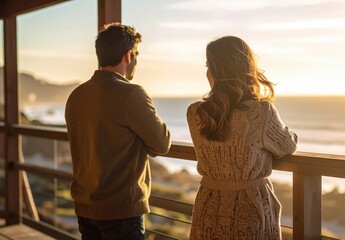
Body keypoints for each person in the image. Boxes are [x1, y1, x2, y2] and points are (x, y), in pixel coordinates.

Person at [65, 22, 171, 240]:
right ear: (128, 55)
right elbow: (162, 143)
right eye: (136, 54)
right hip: (121, 211)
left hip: (85, 206)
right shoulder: (131, 94)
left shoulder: (76, 95)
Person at [187, 36, 298, 240]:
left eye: (208, 66)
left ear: (214, 71)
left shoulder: (195, 113)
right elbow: (287, 146)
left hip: (209, 205)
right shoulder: (261, 111)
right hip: (250, 207)